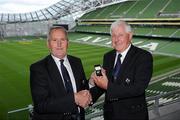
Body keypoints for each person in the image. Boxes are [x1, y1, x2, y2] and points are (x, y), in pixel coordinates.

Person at [90, 20, 153, 120]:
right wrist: (90, 93)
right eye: (113, 35)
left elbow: (138, 88)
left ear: (130, 35)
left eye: (120, 35)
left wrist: (107, 85)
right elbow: (104, 85)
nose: (116, 39)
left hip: (133, 116)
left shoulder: (143, 56)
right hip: (110, 115)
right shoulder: (108, 56)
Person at [30, 26, 91, 120]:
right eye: (54, 40)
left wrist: (91, 82)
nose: (59, 44)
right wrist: (73, 98)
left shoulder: (77, 62)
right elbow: (41, 105)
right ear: (48, 44)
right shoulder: (38, 68)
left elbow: (82, 89)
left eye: (62, 39)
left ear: (68, 43)